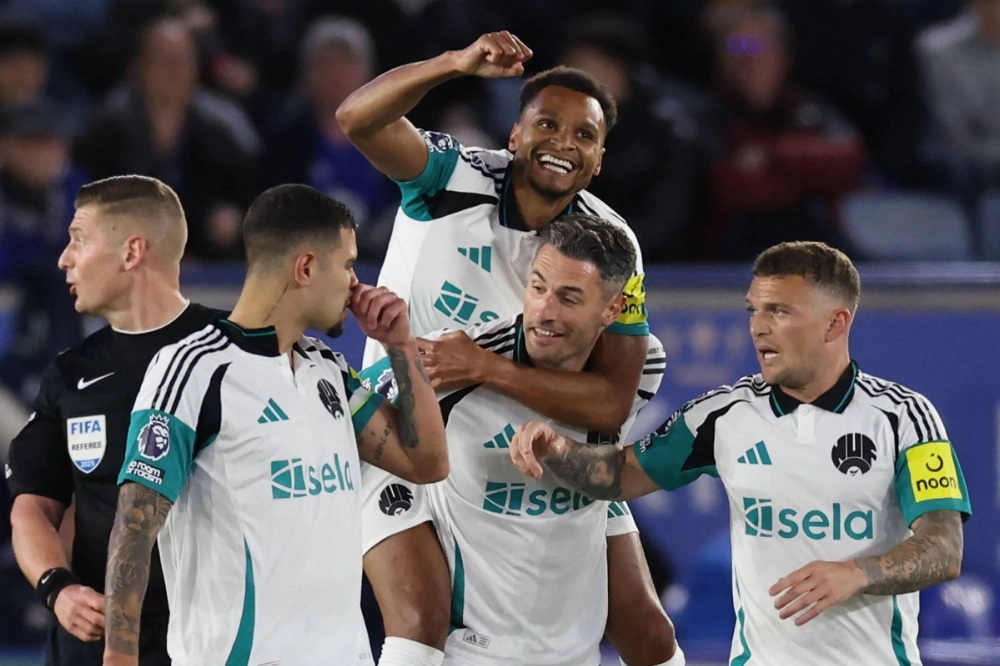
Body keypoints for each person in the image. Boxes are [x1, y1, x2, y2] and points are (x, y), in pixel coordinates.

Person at [337, 30, 678, 666]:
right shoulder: (451, 176)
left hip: (528, 423)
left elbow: (611, 403)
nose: (563, 143)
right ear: (514, 136)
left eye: (584, 135)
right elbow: (357, 117)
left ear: (600, 158)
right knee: (420, 618)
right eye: (547, 124)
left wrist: (484, 366)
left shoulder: (611, 247)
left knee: (647, 632)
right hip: (409, 427)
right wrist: (455, 64)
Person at [511, 241, 972, 666]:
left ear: (836, 322)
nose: (758, 328)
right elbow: (620, 475)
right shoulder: (722, 416)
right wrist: (558, 448)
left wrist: (858, 573)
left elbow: (944, 548)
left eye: (779, 312)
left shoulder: (903, 417)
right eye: (754, 310)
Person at [101, 185, 448, 666]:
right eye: (347, 265)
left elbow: (427, 461)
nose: (356, 285)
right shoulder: (192, 370)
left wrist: (401, 347)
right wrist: (119, 657)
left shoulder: (328, 369)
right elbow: (135, 525)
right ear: (305, 268)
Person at [364, 214, 676, 666]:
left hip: (571, 620)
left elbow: (612, 417)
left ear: (611, 311)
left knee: (652, 634)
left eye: (569, 298)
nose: (544, 311)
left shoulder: (642, 369)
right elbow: (350, 403)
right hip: (471, 643)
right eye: (536, 287)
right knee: (416, 627)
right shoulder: (452, 361)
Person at [5, 175, 221, 666]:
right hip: (96, 645)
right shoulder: (71, 374)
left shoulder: (236, 353)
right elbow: (32, 508)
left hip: (214, 641)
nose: (64, 258)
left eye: (79, 240)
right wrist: (56, 587)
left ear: (131, 252)